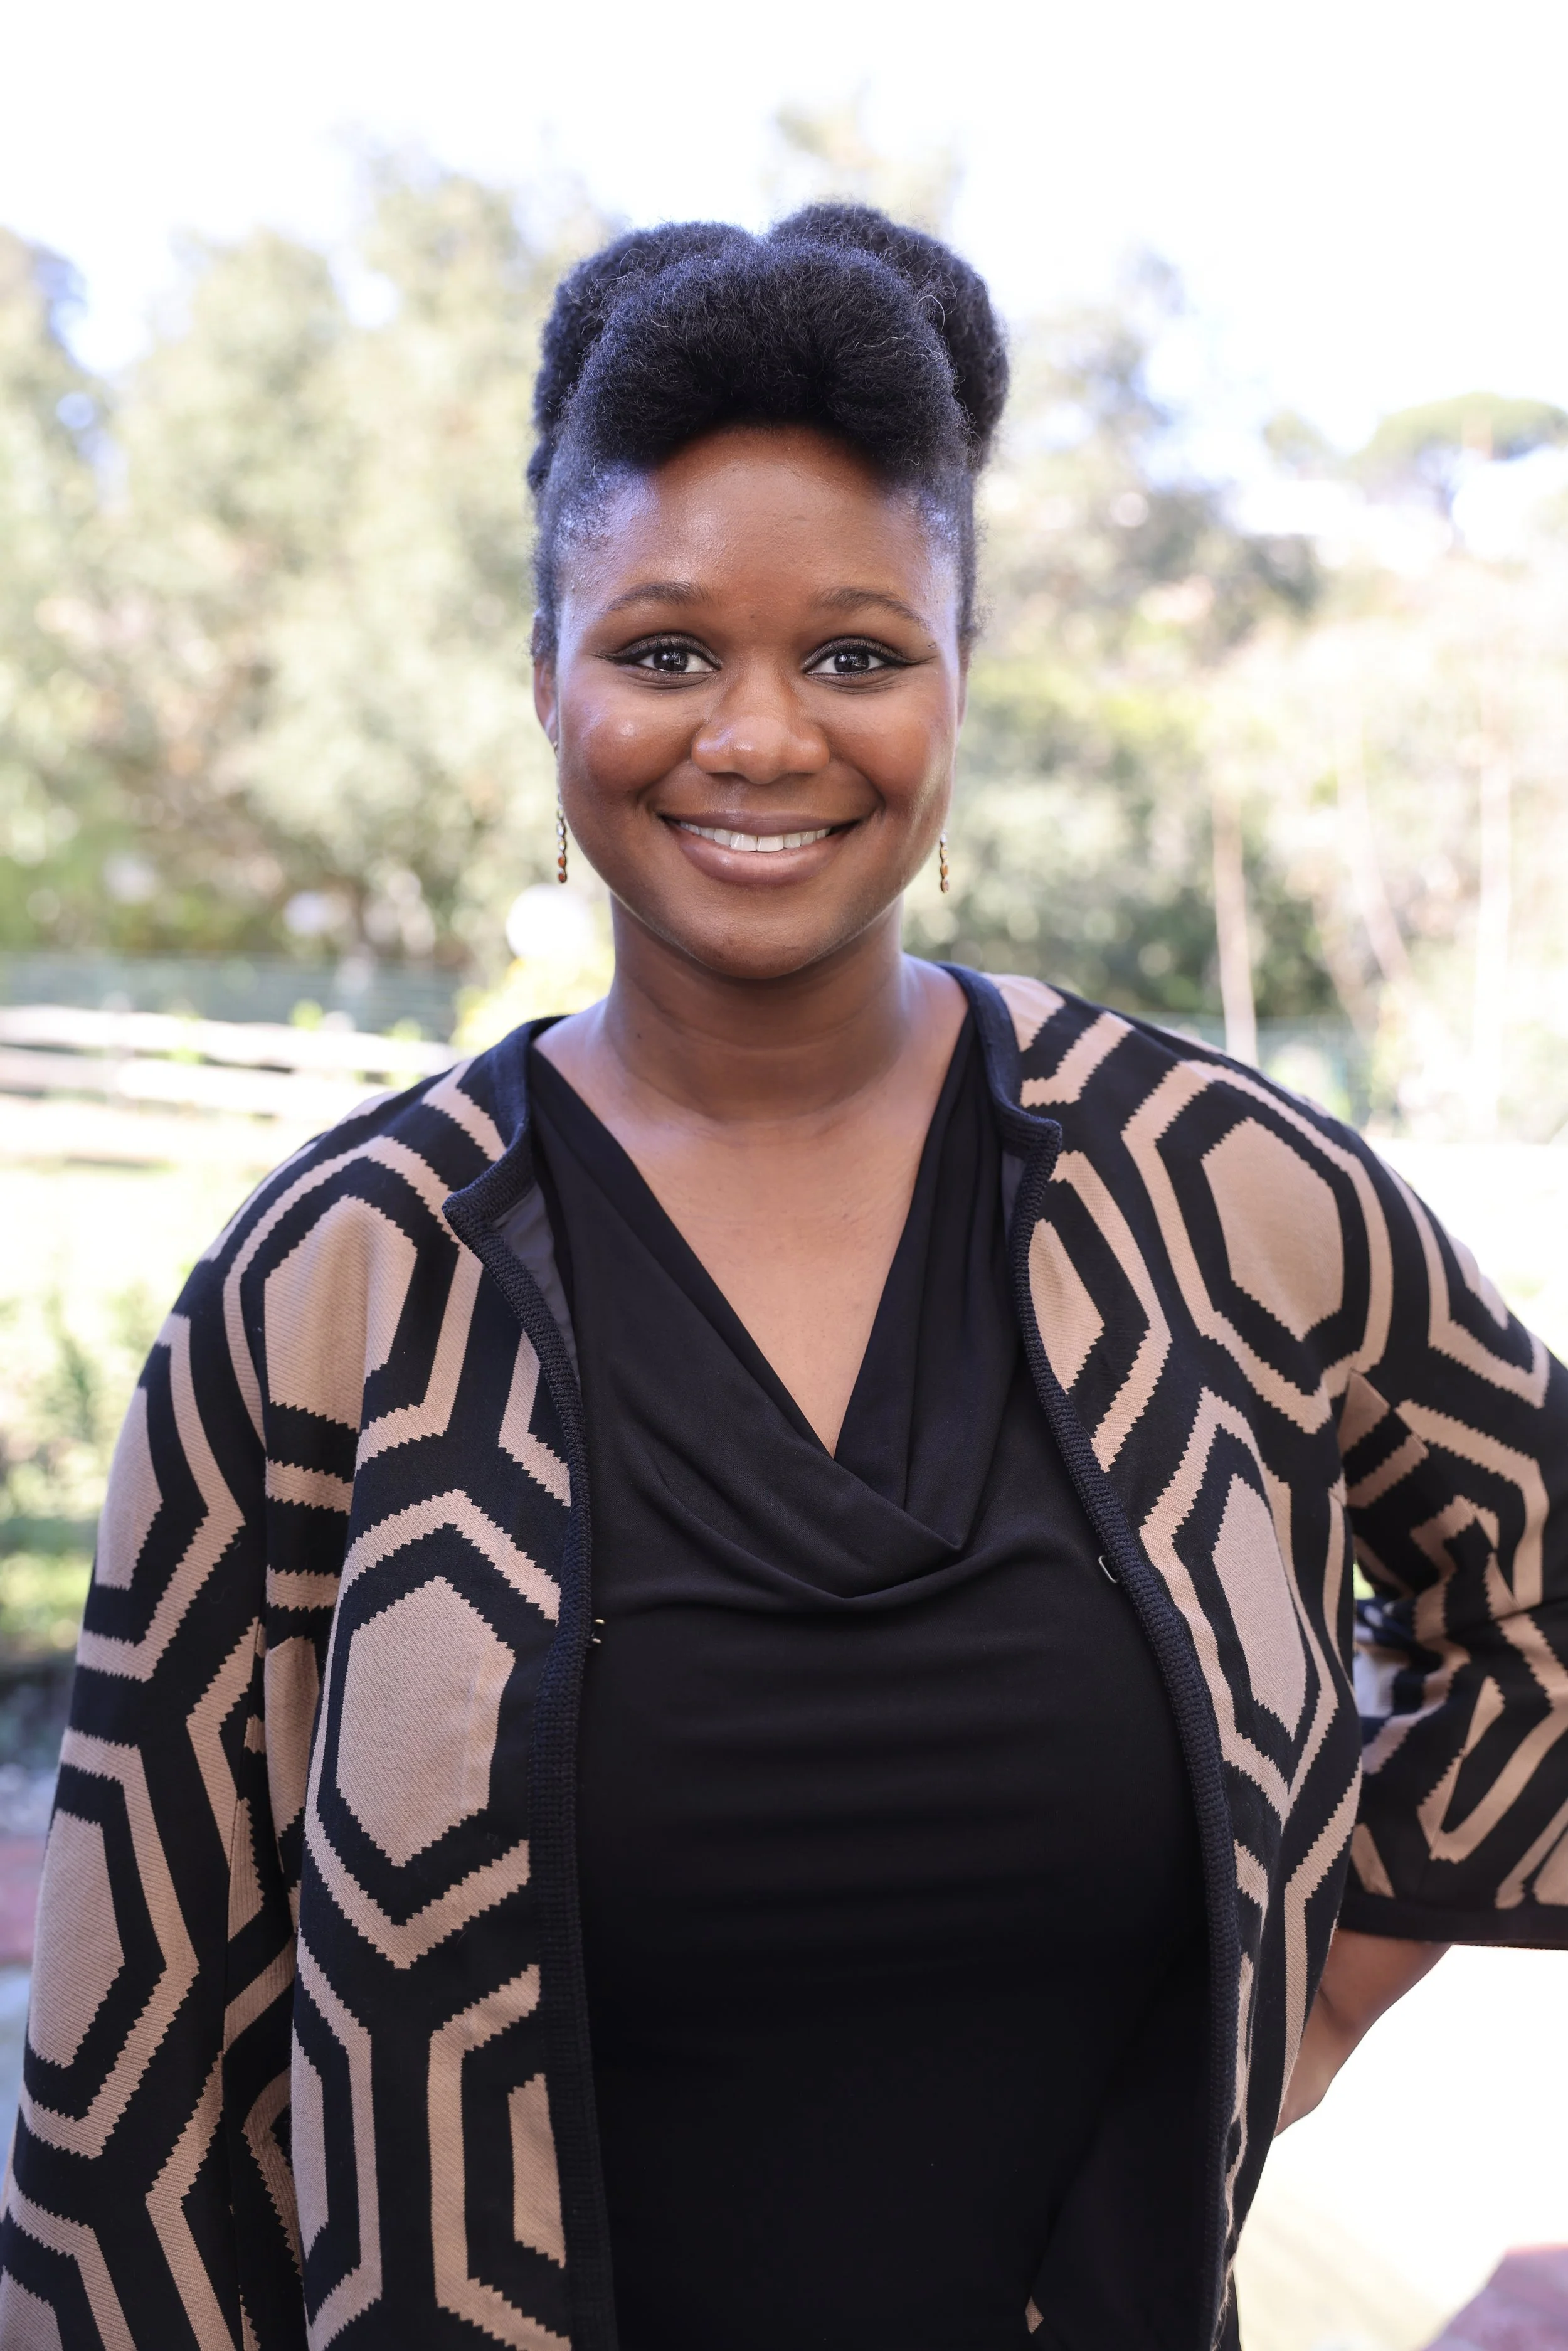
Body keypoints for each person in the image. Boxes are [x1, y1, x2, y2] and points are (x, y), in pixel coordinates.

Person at [2, 206, 1564, 2351]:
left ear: (952, 685)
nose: (758, 734)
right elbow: (137, 2104)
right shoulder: (336, 1287)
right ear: (546, 680)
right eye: (661, 652)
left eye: (853, 652)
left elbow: (1542, 1603)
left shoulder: (1215, 1194)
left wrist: (1293, 1993)